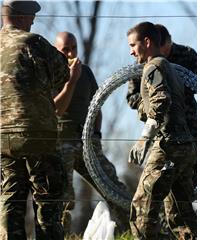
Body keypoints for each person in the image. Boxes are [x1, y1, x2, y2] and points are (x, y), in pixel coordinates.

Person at [126, 23, 197, 222]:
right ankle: (165, 226)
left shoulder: (184, 55)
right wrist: (150, 106)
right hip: (161, 128)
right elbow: (132, 97)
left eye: (166, 51)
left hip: (190, 126)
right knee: (163, 181)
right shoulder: (143, 64)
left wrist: (174, 89)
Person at [0, 1, 73, 239]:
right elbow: (63, 73)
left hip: (2, 137)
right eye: (31, 17)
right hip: (35, 134)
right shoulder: (32, 42)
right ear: (21, 17)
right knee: (47, 199)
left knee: (10, 198)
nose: (32, 22)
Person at [53, 31, 131, 234]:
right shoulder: (51, 73)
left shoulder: (85, 72)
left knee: (113, 187)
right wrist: (71, 80)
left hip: (87, 142)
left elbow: (96, 107)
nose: (70, 53)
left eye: (73, 48)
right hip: (62, 142)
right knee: (63, 198)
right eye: (65, 50)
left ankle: (131, 231)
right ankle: (62, 235)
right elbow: (55, 109)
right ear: (56, 51)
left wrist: (96, 135)